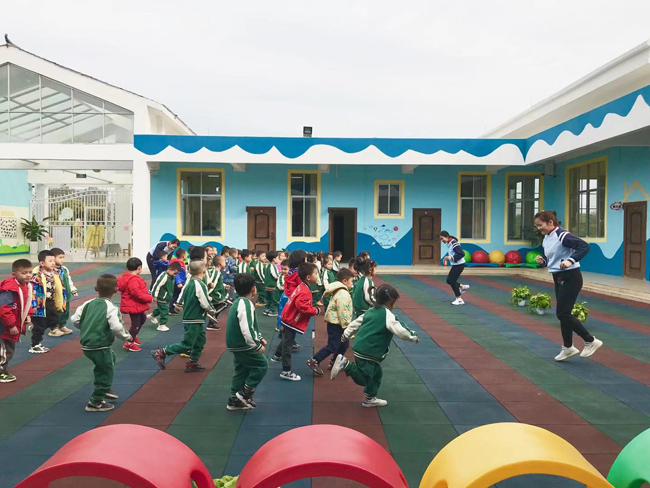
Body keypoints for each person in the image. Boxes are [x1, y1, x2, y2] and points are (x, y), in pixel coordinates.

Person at [331, 284, 419, 407]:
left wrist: (346, 334)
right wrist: (413, 336)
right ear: (391, 301)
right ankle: (345, 363)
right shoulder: (388, 315)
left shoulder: (370, 311)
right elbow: (401, 330)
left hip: (361, 348)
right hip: (370, 352)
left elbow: (355, 323)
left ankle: (369, 398)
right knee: (364, 378)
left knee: (377, 375)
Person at [534, 210, 603, 361]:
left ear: (550, 222)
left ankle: (590, 341)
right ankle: (568, 347)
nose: (538, 228)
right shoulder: (547, 238)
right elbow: (554, 259)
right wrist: (543, 262)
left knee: (563, 314)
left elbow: (584, 246)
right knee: (563, 314)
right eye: (537, 226)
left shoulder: (563, 235)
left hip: (571, 277)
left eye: (540, 225)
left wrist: (570, 261)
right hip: (558, 277)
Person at [72, 274, 132, 412]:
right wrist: (127, 337)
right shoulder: (111, 307)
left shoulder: (87, 303)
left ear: (96, 288)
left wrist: (86, 328)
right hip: (100, 345)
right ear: (116, 290)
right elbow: (116, 327)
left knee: (109, 360)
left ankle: (104, 388)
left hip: (87, 345)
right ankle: (96, 400)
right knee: (106, 369)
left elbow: (75, 319)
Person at [151, 261, 215, 373]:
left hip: (194, 318)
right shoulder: (200, 285)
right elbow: (205, 303)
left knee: (200, 341)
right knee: (188, 344)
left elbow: (183, 296)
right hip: (194, 319)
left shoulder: (189, 283)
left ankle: (192, 363)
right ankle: (161, 352)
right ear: (204, 271)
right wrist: (212, 311)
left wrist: (179, 304)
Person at [225, 273, 269, 410]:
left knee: (241, 369)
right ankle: (245, 393)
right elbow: (247, 329)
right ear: (254, 289)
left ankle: (234, 400)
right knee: (262, 365)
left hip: (235, 343)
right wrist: (256, 345)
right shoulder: (246, 304)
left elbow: (250, 326)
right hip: (242, 343)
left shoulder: (238, 302)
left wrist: (259, 337)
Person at [272, 262, 321, 381]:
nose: (317, 275)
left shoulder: (302, 286)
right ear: (308, 277)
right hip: (291, 321)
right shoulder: (304, 290)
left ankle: (277, 356)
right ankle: (286, 370)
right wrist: (315, 310)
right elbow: (302, 307)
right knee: (287, 346)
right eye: (315, 273)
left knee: (285, 340)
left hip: (288, 319)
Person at [307, 267, 355, 376]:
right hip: (337, 324)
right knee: (333, 345)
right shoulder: (343, 293)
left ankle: (335, 362)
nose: (352, 284)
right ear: (345, 281)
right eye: (351, 281)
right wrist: (346, 326)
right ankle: (314, 360)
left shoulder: (339, 291)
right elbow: (342, 311)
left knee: (344, 345)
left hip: (337, 323)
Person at [0, 259, 33, 383]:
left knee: (8, 348)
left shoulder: (25, 286)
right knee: (4, 350)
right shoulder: (10, 288)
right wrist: (11, 325)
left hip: (11, 324)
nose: (28, 275)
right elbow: (4, 309)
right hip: (4, 327)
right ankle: (1, 372)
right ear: (14, 274)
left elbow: (25, 302)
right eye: (24, 273)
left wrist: (27, 315)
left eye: (30, 272)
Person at [30, 250, 64, 354]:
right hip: (39, 304)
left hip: (50, 301)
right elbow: (32, 291)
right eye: (50, 261)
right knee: (40, 324)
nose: (53, 263)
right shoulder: (36, 276)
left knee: (54, 319)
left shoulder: (55, 273)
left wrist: (61, 300)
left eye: (54, 260)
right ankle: (35, 345)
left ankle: (35, 327)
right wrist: (34, 304)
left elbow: (59, 287)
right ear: (42, 263)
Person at [117, 257, 153, 352]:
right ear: (139, 268)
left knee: (142, 318)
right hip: (133, 305)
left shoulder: (127, 278)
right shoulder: (133, 280)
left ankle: (133, 335)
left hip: (135, 305)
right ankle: (129, 342)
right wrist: (149, 298)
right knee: (136, 323)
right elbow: (137, 294)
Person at [49, 248, 77, 337]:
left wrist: (73, 290)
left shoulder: (64, 269)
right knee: (56, 311)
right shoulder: (50, 270)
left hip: (66, 295)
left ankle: (62, 325)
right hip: (57, 295)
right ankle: (54, 328)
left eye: (63, 257)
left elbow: (69, 280)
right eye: (60, 257)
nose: (62, 260)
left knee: (65, 311)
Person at [148, 261, 182, 332]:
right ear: (169, 269)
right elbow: (157, 285)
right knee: (165, 311)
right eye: (174, 273)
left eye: (176, 274)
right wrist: (154, 295)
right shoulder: (164, 276)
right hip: (161, 297)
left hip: (166, 297)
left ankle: (152, 315)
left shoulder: (171, 276)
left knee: (160, 308)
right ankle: (162, 325)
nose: (175, 275)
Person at [440, 231, 470, 305]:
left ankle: (459, 299)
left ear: (447, 236)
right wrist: (449, 258)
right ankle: (462, 286)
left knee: (452, 281)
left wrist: (452, 258)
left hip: (459, 265)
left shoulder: (454, 243)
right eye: (440, 239)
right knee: (449, 280)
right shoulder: (449, 242)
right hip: (456, 265)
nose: (441, 240)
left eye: (442, 238)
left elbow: (461, 253)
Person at [206, 255, 232, 331]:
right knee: (225, 304)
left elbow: (217, 283)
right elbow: (212, 284)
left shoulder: (218, 272)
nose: (225, 263)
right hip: (216, 294)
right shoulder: (216, 272)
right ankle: (211, 314)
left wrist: (224, 286)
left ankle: (211, 323)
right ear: (220, 263)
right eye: (224, 262)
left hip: (217, 294)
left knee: (220, 305)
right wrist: (208, 294)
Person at [168, 248, 187, 315]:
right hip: (178, 283)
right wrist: (178, 282)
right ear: (183, 255)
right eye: (186, 254)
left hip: (178, 282)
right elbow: (177, 274)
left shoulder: (177, 262)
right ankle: (172, 308)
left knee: (176, 295)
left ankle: (173, 308)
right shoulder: (179, 264)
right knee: (177, 295)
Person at [263, 251, 280, 317]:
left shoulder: (267, 265)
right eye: (277, 258)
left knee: (268, 299)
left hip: (267, 285)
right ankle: (273, 310)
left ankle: (267, 309)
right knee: (274, 299)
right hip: (273, 286)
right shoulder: (273, 266)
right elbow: (275, 275)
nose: (278, 259)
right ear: (274, 259)